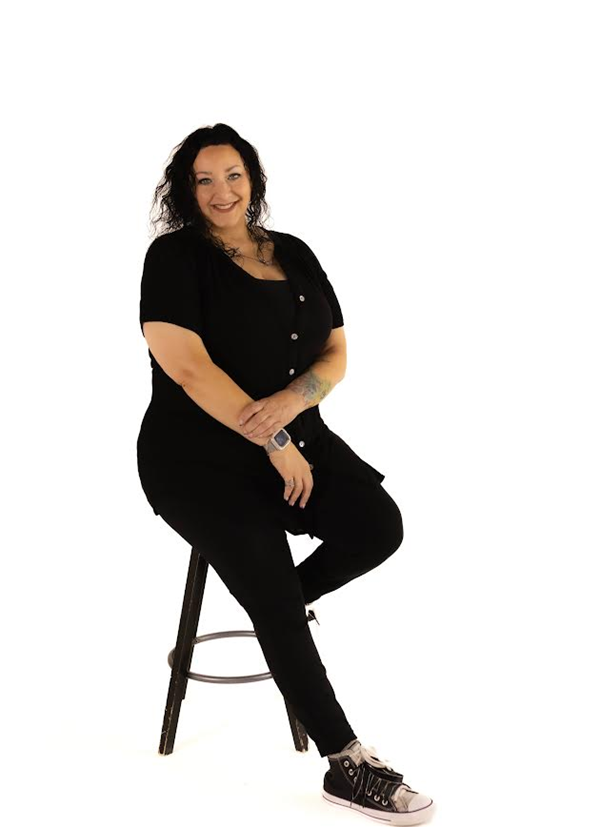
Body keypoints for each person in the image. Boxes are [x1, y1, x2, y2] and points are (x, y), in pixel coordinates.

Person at [137, 122, 436, 824]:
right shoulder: (174, 257)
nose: (220, 190)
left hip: (298, 441)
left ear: (253, 179)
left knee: (377, 525)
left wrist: (293, 409)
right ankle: (347, 762)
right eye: (203, 179)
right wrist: (272, 436)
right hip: (198, 460)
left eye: (233, 174)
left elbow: (334, 354)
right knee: (269, 591)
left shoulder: (292, 251)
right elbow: (187, 366)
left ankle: (280, 606)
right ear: (185, 189)